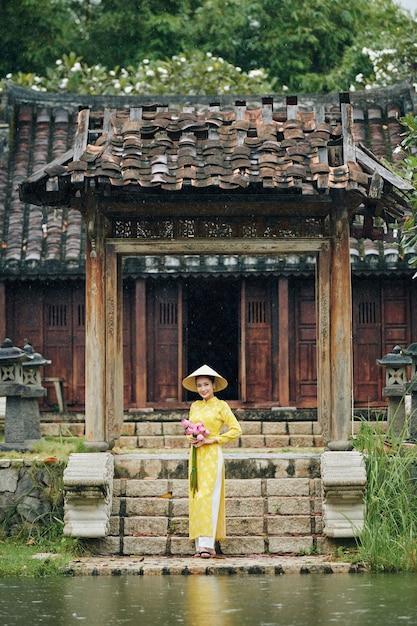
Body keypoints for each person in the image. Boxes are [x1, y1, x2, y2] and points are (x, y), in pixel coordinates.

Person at [182, 364, 242, 558]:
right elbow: (190, 429)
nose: (203, 389)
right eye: (199, 385)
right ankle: (200, 544)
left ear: (213, 385)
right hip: (195, 455)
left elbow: (236, 430)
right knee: (196, 496)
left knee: (208, 496)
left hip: (212, 456)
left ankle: (208, 545)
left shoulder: (221, 406)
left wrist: (212, 439)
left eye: (206, 384)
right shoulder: (195, 406)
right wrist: (191, 438)